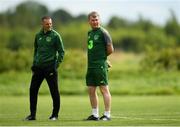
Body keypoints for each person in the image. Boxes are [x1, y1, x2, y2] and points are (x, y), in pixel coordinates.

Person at [25, 16, 65, 121]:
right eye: (47, 24)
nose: (49, 25)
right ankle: (32, 115)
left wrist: (56, 65)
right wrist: (34, 63)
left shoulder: (55, 36)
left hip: (50, 68)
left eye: (51, 23)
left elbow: (62, 52)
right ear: (42, 24)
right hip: (38, 68)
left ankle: (55, 115)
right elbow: (36, 50)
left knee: (54, 91)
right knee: (32, 90)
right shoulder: (38, 36)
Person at [85, 11, 114, 121]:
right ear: (89, 21)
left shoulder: (103, 32)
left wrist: (103, 59)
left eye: (97, 20)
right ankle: (95, 114)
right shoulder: (90, 33)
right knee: (91, 90)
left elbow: (111, 49)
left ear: (99, 20)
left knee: (104, 89)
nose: (95, 22)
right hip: (91, 66)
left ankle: (107, 114)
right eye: (93, 20)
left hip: (100, 66)